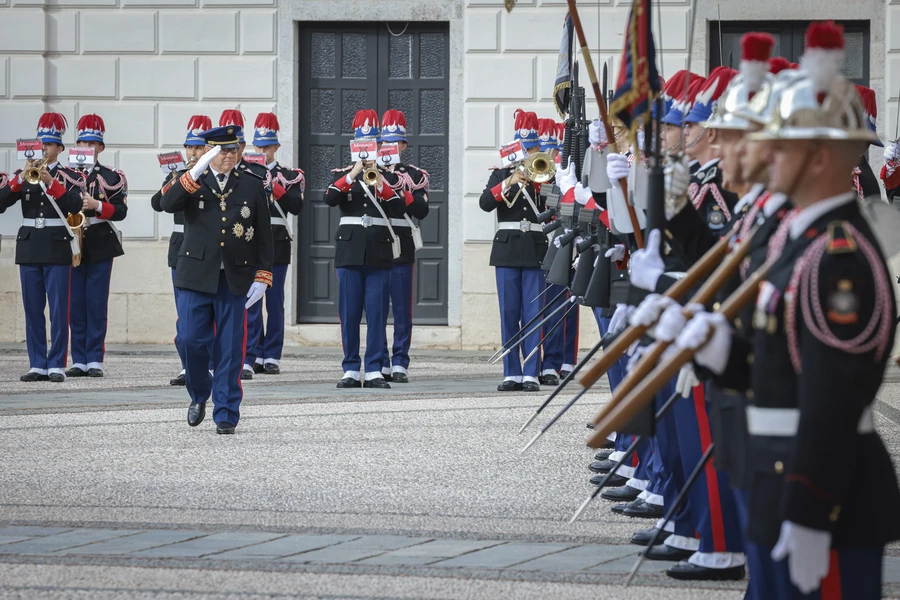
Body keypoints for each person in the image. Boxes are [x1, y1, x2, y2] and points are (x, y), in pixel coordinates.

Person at [674, 21, 900, 598]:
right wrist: (720, 349)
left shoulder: (838, 255)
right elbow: (779, 359)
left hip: (824, 494)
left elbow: (831, 398)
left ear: (820, 155)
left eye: (780, 144)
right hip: (779, 473)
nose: (761, 155)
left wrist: (809, 506)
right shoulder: (801, 240)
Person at [160, 125, 274, 434]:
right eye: (223, 151)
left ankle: (226, 411)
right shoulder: (190, 180)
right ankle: (200, 392)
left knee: (230, 347)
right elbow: (165, 204)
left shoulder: (251, 184)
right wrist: (194, 172)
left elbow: (264, 234)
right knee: (189, 339)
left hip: (234, 276)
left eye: (234, 150)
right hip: (195, 274)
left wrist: (263, 276)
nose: (230, 156)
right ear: (210, 151)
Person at [325, 109, 406, 389]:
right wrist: (354, 173)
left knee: (376, 312)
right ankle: (350, 367)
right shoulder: (342, 174)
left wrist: (380, 181)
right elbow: (330, 198)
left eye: (373, 145)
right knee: (349, 314)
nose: (369, 150)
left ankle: (373, 368)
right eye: (364, 145)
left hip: (379, 251)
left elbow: (398, 207)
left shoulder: (390, 178)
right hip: (349, 252)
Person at [0, 113, 83, 382]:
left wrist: (50, 181)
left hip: (56, 245)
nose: (44, 149)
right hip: (29, 246)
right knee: (33, 308)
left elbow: (74, 206)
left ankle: (56, 363)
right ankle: (37, 363)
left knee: (59, 310)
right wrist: (20, 179)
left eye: (49, 144)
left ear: (60, 148)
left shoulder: (70, 176)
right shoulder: (22, 175)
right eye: (41, 144)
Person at [480, 110, 550, 392]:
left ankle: (531, 372)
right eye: (523, 148)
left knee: (534, 313)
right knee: (509, 312)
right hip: (507, 249)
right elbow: (486, 203)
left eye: (531, 147)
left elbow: (554, 206)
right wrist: (509, 181)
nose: (527, 152)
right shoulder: (500, 174)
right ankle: (512, 372)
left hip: (534, 247)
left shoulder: (545, 174)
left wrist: (537, 180)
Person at [151, 114, 212, 386]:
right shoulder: (179, 176)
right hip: (181, 250)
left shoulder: (212, 176)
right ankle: (187, 365)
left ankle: (209, 364)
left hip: (207, 250)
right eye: (189, 147)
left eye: (197, 148)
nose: (192, 152)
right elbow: (158, 203)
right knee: (184, 314)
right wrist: (174, 178)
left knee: (208, 314)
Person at [65, 114, 127, 379]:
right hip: (71, 242)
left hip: (100, 240)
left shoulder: (112, 176)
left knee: (96, 302)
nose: (87, 147)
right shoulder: (63, 175)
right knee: (75, 302)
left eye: (92, 143)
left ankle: (94, 358)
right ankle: (78, 358)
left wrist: (98, 206)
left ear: (100, 147)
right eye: (83, 142)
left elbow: (121, 211)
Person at [243, 112, 305, 377]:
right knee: (251, 300)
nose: (262, 151)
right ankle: (251, 353)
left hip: (277, 241)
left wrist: (274, 186)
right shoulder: (246, 173)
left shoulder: (289, 175)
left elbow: (296, 205)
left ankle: (272, 354)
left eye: (267, 147)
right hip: (251, 243)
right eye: (258, 146)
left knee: (275, 300)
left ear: (276, 147)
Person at [377, 109, 430, 384]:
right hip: (377, 243)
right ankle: (381, 360)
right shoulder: (370, 171)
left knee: (401, 308)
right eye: (386, 142)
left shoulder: (414, 175)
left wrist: (402, 190)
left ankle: (400, 360)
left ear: (404, 145)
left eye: (396, 143)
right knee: (376, 308)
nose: (391, 147)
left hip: (402, 244)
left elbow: (422, 210)